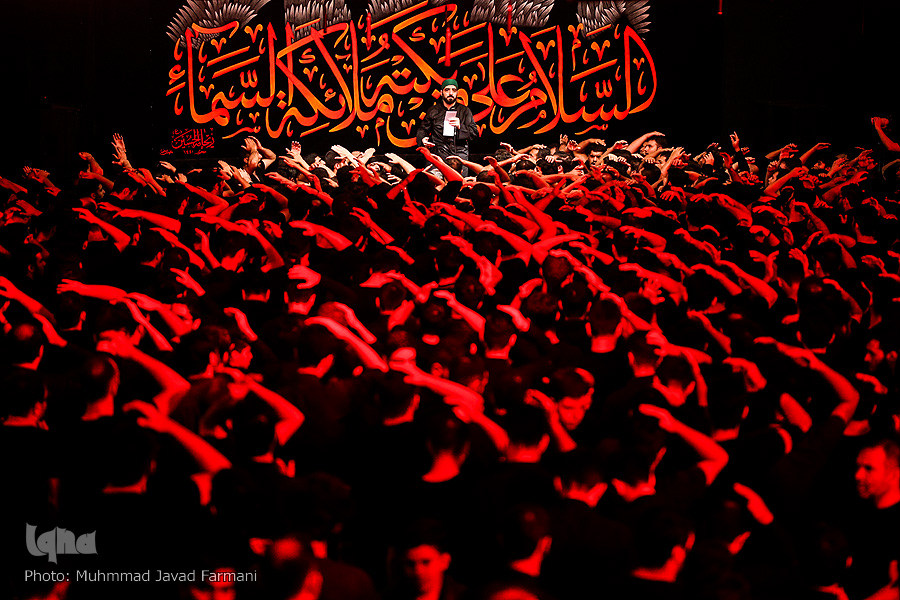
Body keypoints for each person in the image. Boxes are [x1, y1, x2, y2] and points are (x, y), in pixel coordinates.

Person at [416, 79, 479, 170]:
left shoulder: (465, 111)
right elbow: (423, 129)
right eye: (447, 90)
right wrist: (423, 139)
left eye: (454, 90)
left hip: (459, 154)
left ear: (457, 93)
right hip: (438, 153)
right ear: (441, 92)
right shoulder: (433, 111)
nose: (450, 93)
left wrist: (460, 126)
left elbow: (474, 133)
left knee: (458, 178)